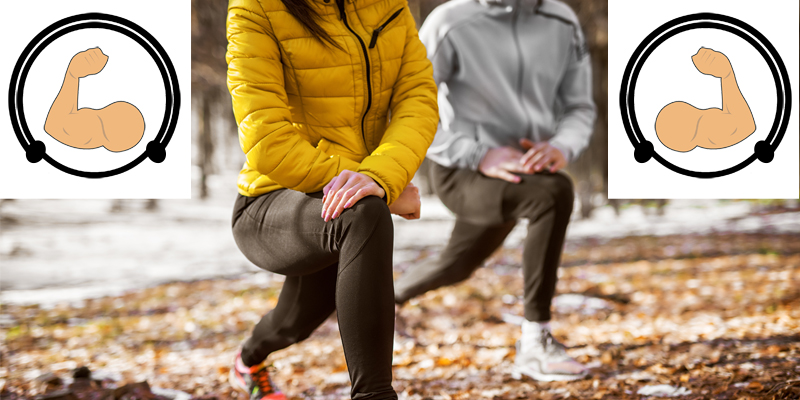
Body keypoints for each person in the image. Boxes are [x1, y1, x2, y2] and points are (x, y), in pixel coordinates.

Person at [225, 0, 438, 398]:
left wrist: (380, 176)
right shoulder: (256, 8)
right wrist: (372, 188)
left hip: (352, 199)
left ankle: (248, 360)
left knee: (294, 322)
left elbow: (418, 98)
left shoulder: (388, 4)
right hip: (270, 203)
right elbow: (266, 141)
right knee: (365, 213)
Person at [393, 0, 596, 382]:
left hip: (525, 170)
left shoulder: (560, 19)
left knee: (458, 264)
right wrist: (478, 154)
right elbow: (410, 107)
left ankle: (386, 299)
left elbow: (579, 107)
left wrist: (561, 146)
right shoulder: (450, 22)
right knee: (554, 194)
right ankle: (535, 342)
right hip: (463, 171)